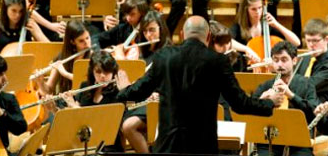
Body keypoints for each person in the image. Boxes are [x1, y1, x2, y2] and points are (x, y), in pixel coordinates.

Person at [116, 16, 280, 154]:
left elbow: (139, 91)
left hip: (168, 145)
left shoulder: (163, 57)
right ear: (208, 37)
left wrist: (124, 89)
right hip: (202, 146)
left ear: (181, 35)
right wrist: (269, 102)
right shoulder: (218, 61)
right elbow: (240, 104)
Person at [61, 50, 151, 152]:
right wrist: (56, 108)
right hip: (84, 146)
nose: (102, 76)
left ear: (113, 72)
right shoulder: (85, 87)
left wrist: (127, 91)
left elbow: (101, 123)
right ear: (92, 72)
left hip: (109, 148)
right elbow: (75, 122)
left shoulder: (118, 92)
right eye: (98, 72)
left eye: (107, 71)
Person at [253, 41, 319, 155]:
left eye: (284, 60)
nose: (279, 65)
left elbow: (313, 111)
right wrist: (262, 99)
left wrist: (291, 95)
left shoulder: (306, 84)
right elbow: (248, 112)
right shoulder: (266, 85)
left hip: (299, 140)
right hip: (270, 138)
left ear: (294, 61)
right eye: (276, 60)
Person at [230, 0, 301, 64]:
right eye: (253, 9)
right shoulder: (238, 27)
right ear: (245, 10)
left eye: (260, 8)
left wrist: (277, 24)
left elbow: (296, 42)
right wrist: (247, 49)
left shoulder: (267, 26)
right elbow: (227, 41)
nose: (258, 12)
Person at [35, 20, 92, 96]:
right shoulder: (62, 58)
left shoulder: (93, 56)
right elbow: (48, 90)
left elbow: (86, 81)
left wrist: (65, 73)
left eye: (87, 38)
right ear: (72, 42)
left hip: (85, 100)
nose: (87, 43)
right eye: (81, 41)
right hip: (65, 100)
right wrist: (41, 83)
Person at [0, 53, 27, 155]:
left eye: (4, 73)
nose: (5, 79)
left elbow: (21, 128)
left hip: (1, 152)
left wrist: (1, 114)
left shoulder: (8, 99)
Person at [296, 19, 328, 103]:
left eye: (315, 41)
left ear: (327, 39)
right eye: (308, 40)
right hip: (301, 107)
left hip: (319, 111)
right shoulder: (304, 58)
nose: (311, 45)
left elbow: (307, 86)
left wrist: (287, 76)